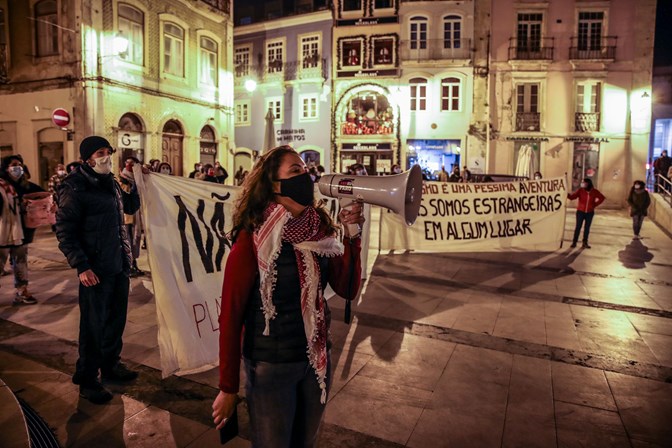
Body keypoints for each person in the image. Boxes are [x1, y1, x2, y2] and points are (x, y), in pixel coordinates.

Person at [212, 145, 364, 447]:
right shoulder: (252, 237)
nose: (305, 177)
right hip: (271, 365)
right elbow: (231, 312)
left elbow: (347, 289)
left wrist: (352, 235)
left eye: (305, 171)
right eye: (295, 171)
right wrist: (228, 387)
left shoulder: (318, 226)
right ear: (273, 184)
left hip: (316, 358)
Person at [55, 136, 141, 404]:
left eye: (108, 151)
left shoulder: (111, 182)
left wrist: (139, 182)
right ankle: (88, 378)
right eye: (100, 153)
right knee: (93, 326)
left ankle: (110, 364)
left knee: (116, 320)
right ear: (86, 158)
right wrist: (81, 265)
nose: (106, 156)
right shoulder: (75, 187)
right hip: (95, 270)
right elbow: (65, 232)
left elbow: (129, 207)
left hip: (118, 265)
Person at [0, 155, 44, 304]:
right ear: (6, 168)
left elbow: (43, 194)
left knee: (20, 261)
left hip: (21, 231)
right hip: (2, 231)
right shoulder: (1, 185)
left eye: (19, 164)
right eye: (13, 164)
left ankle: (22, 291)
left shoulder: (25, 185)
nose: (17, 167)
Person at [120, 157, 145, 277]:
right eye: (127, 162)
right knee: (127, 241)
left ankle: (133, 263)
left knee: (135, 240)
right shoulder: (121, 179)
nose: (129, 165)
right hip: (125, 216)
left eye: (132, 163)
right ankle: (127, 265)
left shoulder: (139, 179)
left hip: (136, 215)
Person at [567, 178, 605, 249]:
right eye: (582, 182)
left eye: (584, 182)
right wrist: (566, 194)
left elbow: (602, 198)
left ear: (588, 184)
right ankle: (574, 242)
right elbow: (573, 197)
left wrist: (594, 205)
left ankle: (585, 242)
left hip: (589, 213)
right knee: (578, 227)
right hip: (580, 212)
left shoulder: (594, 191)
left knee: (587, 228)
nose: (582, 184)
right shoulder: (580, 191)